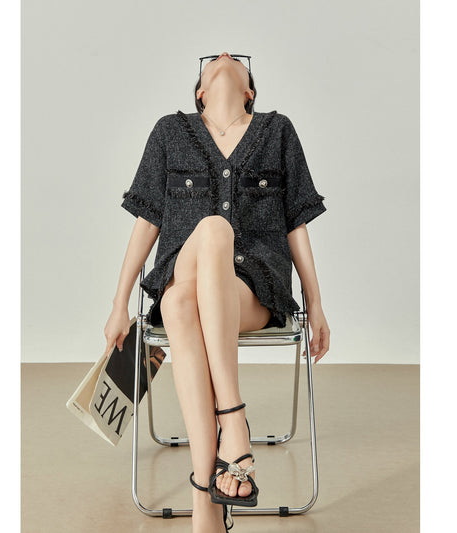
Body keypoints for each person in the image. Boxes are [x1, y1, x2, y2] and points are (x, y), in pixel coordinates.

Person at [104, 52, 331, 533]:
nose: (224, 56)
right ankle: (233, 428)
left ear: (250, 91)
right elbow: (147, 219)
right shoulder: (169, 131)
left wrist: (316, 304)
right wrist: (118, 304)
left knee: (180, 302)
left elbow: (296, 223)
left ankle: (204, 496)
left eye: (236, 60)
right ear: (200, 92)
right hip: (181, 270)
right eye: (211, 62)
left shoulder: (278, 130)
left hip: (252, 288)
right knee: (208, 234)